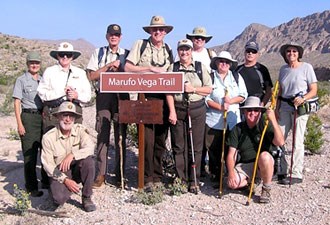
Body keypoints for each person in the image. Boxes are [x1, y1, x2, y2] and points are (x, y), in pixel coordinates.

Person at [124, 15, 174, 190]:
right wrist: (149, 69)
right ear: (150, 31)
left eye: (161, 29)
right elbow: (128, 67)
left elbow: (172, 77)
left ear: (165, 32)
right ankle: (146, 178)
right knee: (147, 141)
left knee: (160, 140)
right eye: (154, 29)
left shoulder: (168, 49)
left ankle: (157, 176)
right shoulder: (140, 45)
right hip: (145, 99)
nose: (158, 32)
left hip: (164, 99)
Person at [86, 24, 129, 188]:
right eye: (111, 34)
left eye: (117, 35)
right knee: (102, 135)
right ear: (107, 36)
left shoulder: (127, 54)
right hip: (104, 96)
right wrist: (107, 66)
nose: (114, 37)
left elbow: (133, 74)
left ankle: (120, 174)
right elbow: (91, 76)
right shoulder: (98, 53)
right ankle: (101, 174)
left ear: (120, 37)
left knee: (121, 136)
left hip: (121, 97)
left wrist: (121, 68)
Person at [166, 39, 212, 193]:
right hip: (178, 109)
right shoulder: (172, 68)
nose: (184, 52)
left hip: (197, 109)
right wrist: (171, 111)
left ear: (191, 51)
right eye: (181, 50)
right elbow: (169, 92)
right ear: (178, 51)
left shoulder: (200, 67)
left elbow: (209, 89)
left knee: (196, 146)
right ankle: (180, 179)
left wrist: (193, 90)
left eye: (187, 49)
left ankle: (194, 179)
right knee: (179, 145)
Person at [226, 96, 285, 203]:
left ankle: (266, 188)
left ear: (260, 112)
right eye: (249, 110)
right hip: (245, 165)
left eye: (256, 110)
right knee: (232, 184)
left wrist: (273, 120)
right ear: (244, 111)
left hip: (263, 163)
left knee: (264, 157)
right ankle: (252, 182)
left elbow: (280, 142)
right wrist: (230, 173)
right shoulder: (237, 128)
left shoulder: (265, 125)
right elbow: (231, 154)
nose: (252, 113)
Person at [41, 101, 96, 212]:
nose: (67, 119)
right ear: (58, 117)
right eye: (64, 115)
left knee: (89, 162)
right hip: (60, 172)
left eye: (71, 116)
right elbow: (48, 165)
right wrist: (65, 180)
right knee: (58, 199)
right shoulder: (48, 137)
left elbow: (90, 148)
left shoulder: (80, 130)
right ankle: (66, 187)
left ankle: (86, 197)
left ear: (75, 119)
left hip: (76, 168)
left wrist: (73, 155)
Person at [276, 42, 318, 185]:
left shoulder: (307, 68)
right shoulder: (283, 69)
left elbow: (314, 89)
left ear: (299, 53)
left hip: (299, 108)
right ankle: (281, 170)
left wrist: (303, 98)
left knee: (297, 140)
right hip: (284, 107)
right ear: (285, 54)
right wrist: (276, 109)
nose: (291, 53)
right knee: (279, 138)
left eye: (294, 51)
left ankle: (296, 173)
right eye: (288, 51)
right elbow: (280, 90)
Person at [205, 51, 247, 184]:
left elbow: (243, 95)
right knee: (214, 148)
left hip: (233, 120)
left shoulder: (236, 77)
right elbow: (206, 98)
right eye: (221, 61)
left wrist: (230, 101)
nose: (224, 64)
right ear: (216, 62)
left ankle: (232, 175)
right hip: (213, 120)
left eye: (227, 62)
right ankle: (216, 175)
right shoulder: (210, 77)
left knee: (232, 149)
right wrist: (220, 107)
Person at [12, 51, 49, 197]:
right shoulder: (21, 80)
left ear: (40, 64)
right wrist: (20, 124)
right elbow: (16, 102)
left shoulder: (43, 80)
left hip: (43, 116)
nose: (34, 65)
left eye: (37, 63)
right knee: (30, 154)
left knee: (45, 150)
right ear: (27, 64)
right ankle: (31, 186)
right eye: (32, 62)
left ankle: (46, 181)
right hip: (28, 116)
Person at [37, 42, 91, 133]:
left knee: (75, 141)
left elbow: (88, 96)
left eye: (68, 54)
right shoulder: (49, 71)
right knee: (52, 141)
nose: (65, 57)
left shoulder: (80, 73)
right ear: (57, 56)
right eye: (62, 54)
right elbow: (41, 93)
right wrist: (61, 92)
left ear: (72, 57)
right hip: (54, 111)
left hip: (74, 111)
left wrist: (77, 95)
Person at [185, 26, 216, 176]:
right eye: (196, 37)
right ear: (192, 39)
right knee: (195, 134)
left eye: (202, 38)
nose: (199, 40)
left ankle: (206, 165)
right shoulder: (186, 53)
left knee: (207, 134)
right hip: (193, 100)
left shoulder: (211, 54)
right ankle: (196, 167)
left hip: (207, 97)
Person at [235, 41, 273, 106]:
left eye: (253, 52)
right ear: (244, 52)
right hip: (240, 105)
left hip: (256, 105)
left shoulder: (262, 69)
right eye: (248, 51)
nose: (250, 53)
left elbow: (268, 90)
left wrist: (262, 104)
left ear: (257, 54)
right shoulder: (237, 70)